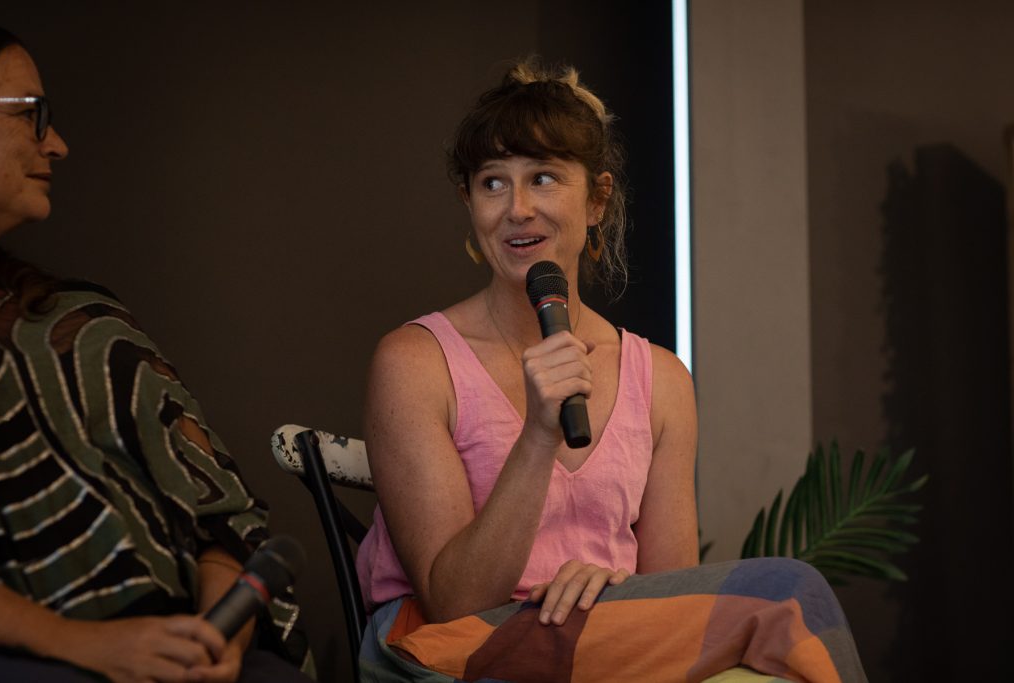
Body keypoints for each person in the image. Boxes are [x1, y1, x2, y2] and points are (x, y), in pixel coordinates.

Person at [355, 61, 868, 682]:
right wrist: (540, 432)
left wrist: (616, 587)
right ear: (469, 202)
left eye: (542, 178)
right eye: (493, 184)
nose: (517, 209)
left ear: (597, 200)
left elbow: (678, 598)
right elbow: (453, 603)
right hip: (451, 651)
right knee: (788, 594)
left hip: (601, 638)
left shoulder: (662, 379)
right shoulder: (415, 362)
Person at [0, 24, 312, 682]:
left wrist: (218, 634)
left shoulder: (80, 320)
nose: (56, 143)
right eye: (32, 115)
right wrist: (86, 645)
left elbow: (222, 520)